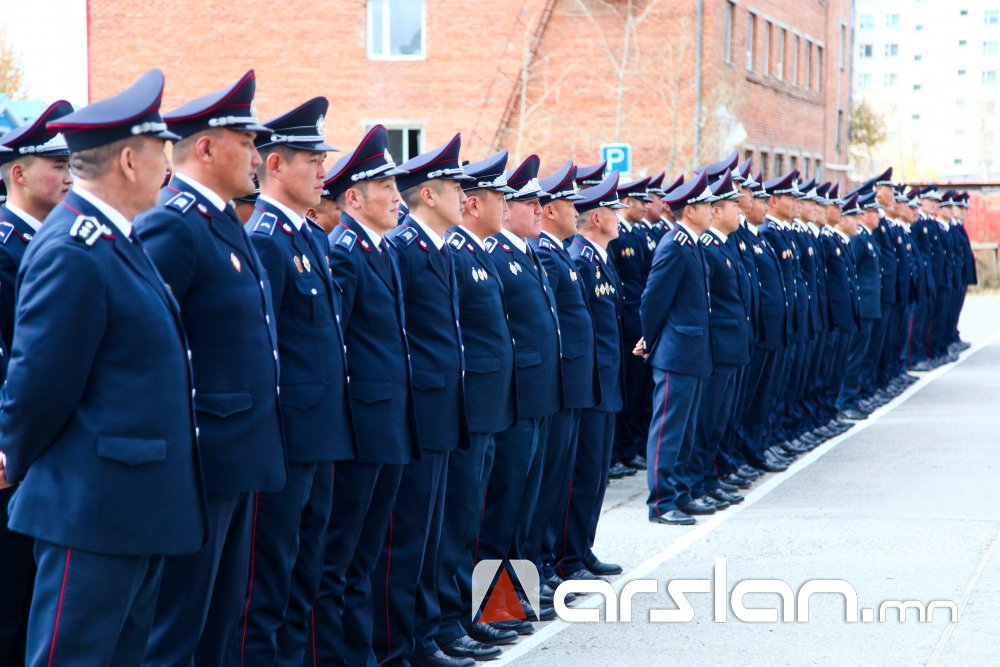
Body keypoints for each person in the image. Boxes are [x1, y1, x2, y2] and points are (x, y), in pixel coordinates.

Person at [0, 68, 208, 666]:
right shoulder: (74, 249)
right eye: (161, 151)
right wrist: (17, 457)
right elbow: (39, 385)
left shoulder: (117, 242)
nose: (168, 167)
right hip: (91, 508)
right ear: (128, 161)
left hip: (130, 504)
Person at [136, 70, 287, 666]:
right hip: (202, 455)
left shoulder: (224, 221)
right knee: (179, 627)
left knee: (221, 618)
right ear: (204, 147)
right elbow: (150, 347)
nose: (256, 156)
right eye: (246, 143)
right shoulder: (173, 224)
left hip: (238, 449)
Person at [235, 97, 351, 666]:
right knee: (268, 583)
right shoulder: (265, 238)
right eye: (312, 159)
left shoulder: (309, 236)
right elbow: (264, 350)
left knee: (305, 573)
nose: (324, 170)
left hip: (318, 434)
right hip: (285, 438)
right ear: (275, 165)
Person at [311, 125, 418, 666]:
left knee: (366, 555)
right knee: (340, 558)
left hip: (387, 423)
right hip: (359, 428)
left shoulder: (381, 249)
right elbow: (336, 348)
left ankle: (365, 653)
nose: (398, 198)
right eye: (387, 188)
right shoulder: (345, 252)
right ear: (353, 198)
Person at [374, 134, 471, 667]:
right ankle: (400, 644)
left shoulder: (438, 247)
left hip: (442, 408)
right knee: (407, 536)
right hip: (420, 409)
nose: (465, 198)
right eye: (456, 188)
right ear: (429, 195)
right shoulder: (405, 247)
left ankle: (427, 633)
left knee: (433, 532)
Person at [432, 151, 519, 659]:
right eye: (497, 199)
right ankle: (455, 617)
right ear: (473, 206)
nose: (506, 207)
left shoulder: (480, 251)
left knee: (492, 515)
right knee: (463, 519)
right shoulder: (458, 253)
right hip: (473, 406)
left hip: (497, 404)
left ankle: (486, 608)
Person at [0, 99, 73, 664]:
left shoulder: (52, 242)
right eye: (57, 165)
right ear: (19, 173)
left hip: (46, 448)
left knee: (37, 606)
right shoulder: (7, 247)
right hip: (13, 452)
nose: (69, 175)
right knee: (11, 604)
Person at [477, 154, 561, 624]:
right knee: (503, 505)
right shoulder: (496, 255)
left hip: (538, 395)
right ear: (506, 210)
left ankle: (519, 592)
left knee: (526, 503)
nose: (538, 211)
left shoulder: (527, 254)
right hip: (515, 397)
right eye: (529, 204)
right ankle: (494, 604)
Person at [531, 161, 609, 585]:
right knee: (538, 490)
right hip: (553, 385)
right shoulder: (545, 252)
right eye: (568, 203)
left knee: (556, 483)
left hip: (572, 383)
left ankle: (550, 564)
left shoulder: (556, 251)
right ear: (549, 211)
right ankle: (543, 568)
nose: (576, 210)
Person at [557, 171, 626, 578]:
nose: (619, 218)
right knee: (581, 475)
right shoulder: (581, 259)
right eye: (613, 211)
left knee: (597, 473)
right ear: (597, 218)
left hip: (606, 381)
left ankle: (583, 548)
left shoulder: (598, 257)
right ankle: (568, 556)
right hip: (591, 384)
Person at [639, 171, 713, 525]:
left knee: (685, 429)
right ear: (690, 210)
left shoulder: (691, 243)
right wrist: (650, 340)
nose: (712, 210)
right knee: (668, 429)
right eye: (706, 205)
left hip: (691, 350)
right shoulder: (674, 245)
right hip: (675, 352)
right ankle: (661, 501)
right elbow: (652, 300)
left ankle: (680, 492)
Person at [687, 170, 751, 510]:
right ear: (716, 211)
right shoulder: (708, 248)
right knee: (708, 421)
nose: (739, 210)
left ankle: (712, 478)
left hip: (733, 346)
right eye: (733, 205)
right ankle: (700, 482)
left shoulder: (725, 245)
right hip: (717, 348)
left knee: (721, 420)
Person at [607, 176, 649, 477]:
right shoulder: (618, 237)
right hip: (625, 327)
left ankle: (628, 448)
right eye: (640, 201)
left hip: (636, 323)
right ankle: (619, 451)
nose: (645, 206)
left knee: (635, 394)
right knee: (624, 393)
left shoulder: (633, 234)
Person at [841, 193, 882, 420]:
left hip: (870, 306)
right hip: (862, 306)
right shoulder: (858, 239)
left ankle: (854, 397)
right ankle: (846, 400)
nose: (878, 216)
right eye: (873, 211)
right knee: (854, 357)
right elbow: (851, 271)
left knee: (863, 355)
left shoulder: (866, 238)